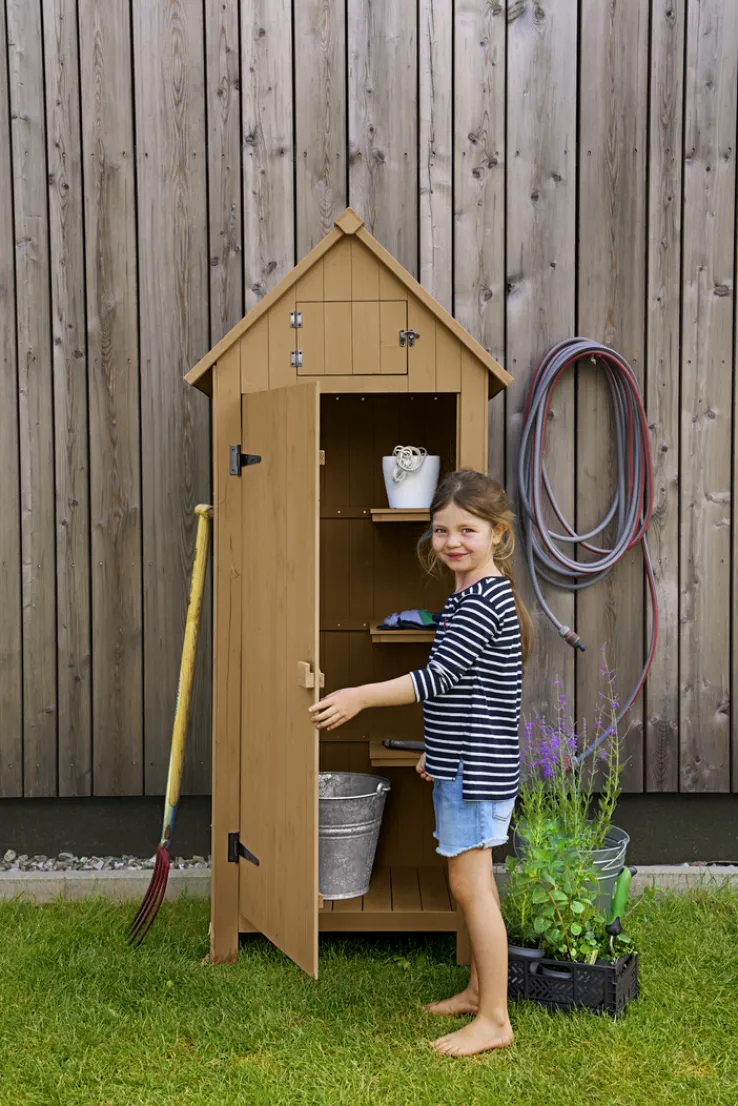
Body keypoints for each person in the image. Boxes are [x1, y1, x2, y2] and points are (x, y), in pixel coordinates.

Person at [309, 469, 534, 1057]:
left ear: (497, 534)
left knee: (472, 886)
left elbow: (437, 680)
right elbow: (473, 693)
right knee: (469, 883)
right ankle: (479, 991)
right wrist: (437, 750)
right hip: (466, 760)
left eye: (467, 529)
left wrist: (359, 696)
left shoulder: (481, 602)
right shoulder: (470, 595)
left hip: (479, 771)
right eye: (441, 531)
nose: (452, 541)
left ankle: (495, 1020)